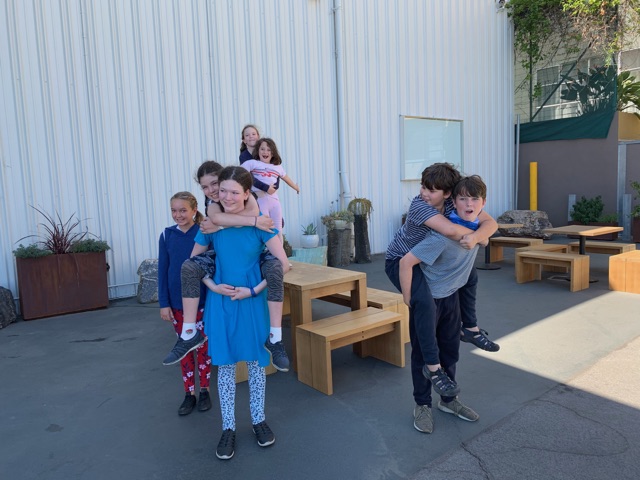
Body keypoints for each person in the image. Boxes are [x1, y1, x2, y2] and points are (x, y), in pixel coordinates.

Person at [385, 162, 498, 434]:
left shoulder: (453, 205)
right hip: (401, 262)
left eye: (432, 190)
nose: (424, 193)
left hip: (437, 273)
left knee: (449, 343)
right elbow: (450, 232)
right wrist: (409, 298)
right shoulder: (420, 206)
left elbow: (490, 222)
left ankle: (449, 400)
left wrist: (480, 234)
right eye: (423, 186)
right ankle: (422, 404)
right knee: (424, 335)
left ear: (448, 194)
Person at [195, 166, 290, 460]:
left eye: (234, 192)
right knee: (225, 367)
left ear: (247, 193)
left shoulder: (261, 225)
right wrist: (213, 285)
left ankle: (259, 420)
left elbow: (283, 264)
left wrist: (254, 290)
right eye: (222, 190)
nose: (227, 197)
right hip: (221, 303)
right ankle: (228, 428)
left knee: (255, 364)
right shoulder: (212, 225)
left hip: (252, 303)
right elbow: (193, 262)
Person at [162, 161, 274, 366]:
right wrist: (223, 225)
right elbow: (224, 219)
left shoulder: (246, 199)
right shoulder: (212, 205)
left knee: (273, 272)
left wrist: (226, 224)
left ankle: (276, 337)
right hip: (221, 261)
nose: (211, 191)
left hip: (249, 257)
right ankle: (189, 331)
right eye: (205, 187)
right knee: (190, 268)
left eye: (215, 184)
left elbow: (252, 214)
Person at [158, 192, 212, 415]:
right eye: (174, 210)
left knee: (204, 348)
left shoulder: (203, 233)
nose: (178, 215)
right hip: (176, 303)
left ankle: (205, 390)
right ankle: (189, 393)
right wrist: (164, 303)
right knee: (184, 348)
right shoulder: (167, 235)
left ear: (193, 210)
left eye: (183, 210)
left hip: (202, 302)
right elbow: (163, 270)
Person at [241, 137, 300, 244]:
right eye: (262, 149)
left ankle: (280, 252)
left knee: (278, 228)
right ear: (257, 150)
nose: (265, 152)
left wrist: (295, 187)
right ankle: (266, 250)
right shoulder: (252, 163)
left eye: (269, 150)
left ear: (273, 153)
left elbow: (286, 178)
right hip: (261, 200)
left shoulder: (277, 167)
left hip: (274, 201)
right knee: (265, 227)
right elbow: (240, 172)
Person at [238, 124, 279, 194]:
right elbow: (247, 175)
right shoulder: (244, 156)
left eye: (253, 134)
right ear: (244, 140)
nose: (251, 136)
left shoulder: (264, 152)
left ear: (258, 137)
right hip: (253, 192)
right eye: (247, 135)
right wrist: (265, 188)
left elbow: (275, 168)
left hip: (270, 190)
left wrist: (275, 187)